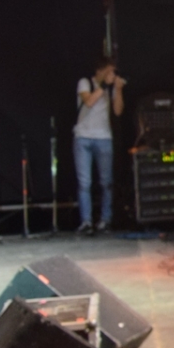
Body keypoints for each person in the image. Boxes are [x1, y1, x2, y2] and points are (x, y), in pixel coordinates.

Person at [75, 57, 124, 234]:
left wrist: (118, 89)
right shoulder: (85, 83)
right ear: (100, 71)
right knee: (85, 182)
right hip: (83, 137)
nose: (112, 75)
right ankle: (86, 221)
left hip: (104, 137)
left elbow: (118, 110)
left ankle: (105, 219)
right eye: (109, 71)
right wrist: (103, 86)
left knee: (106, 182)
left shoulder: (110, 88)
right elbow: (89, 101)